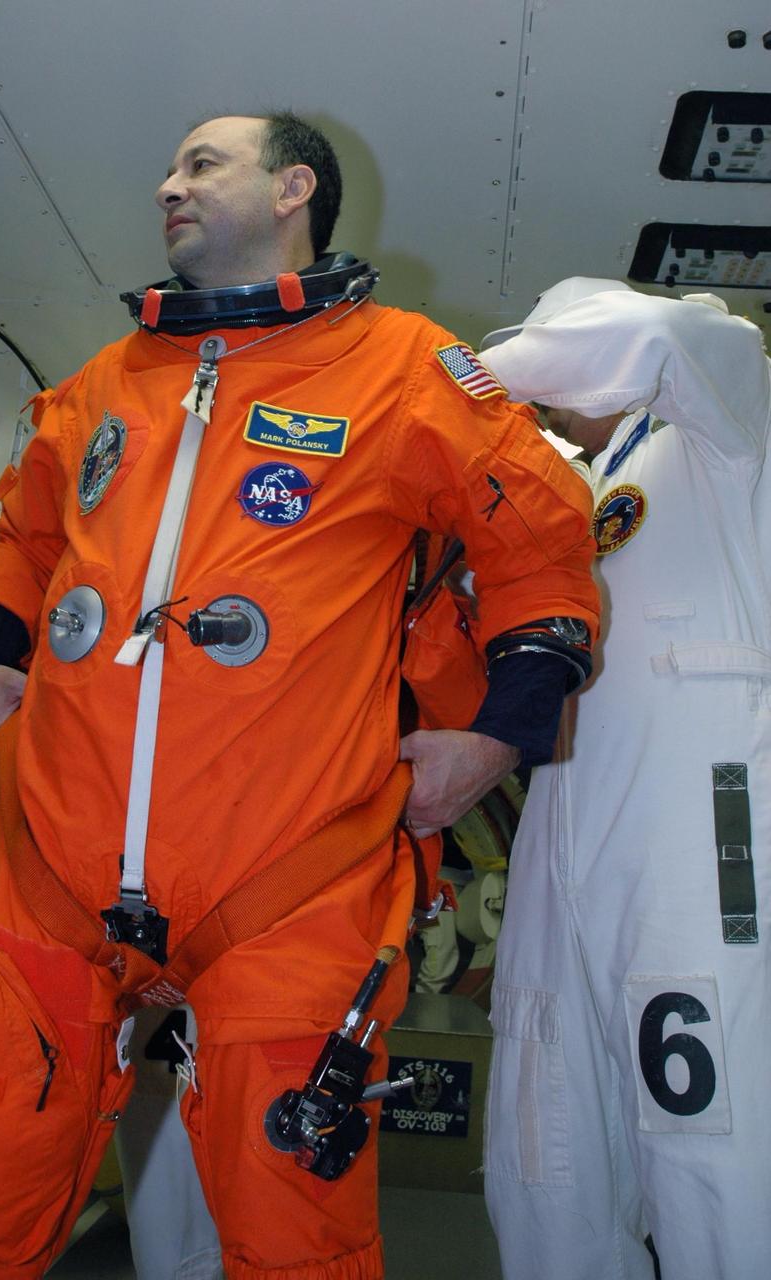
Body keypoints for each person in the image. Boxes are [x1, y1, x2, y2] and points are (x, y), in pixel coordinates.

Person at [0, 114, 599, 1280]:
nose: (167, 184)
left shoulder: (402, 368)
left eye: (202, 164)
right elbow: (23, 532)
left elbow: (539, 548)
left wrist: (498, 739)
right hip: (51, 856)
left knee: (292, 1229)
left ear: (295, 185)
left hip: (287, 870)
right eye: (168, 167)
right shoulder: (104, 384)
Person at [479, 278, 771, 1280]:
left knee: (711, 1153)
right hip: (561, 834)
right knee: (541, 1149)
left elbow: (665, 333)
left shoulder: (729, 427)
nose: (547, 399)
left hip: (700, 838)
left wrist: (463, 379)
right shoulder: (570, 494)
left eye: (555, 363)